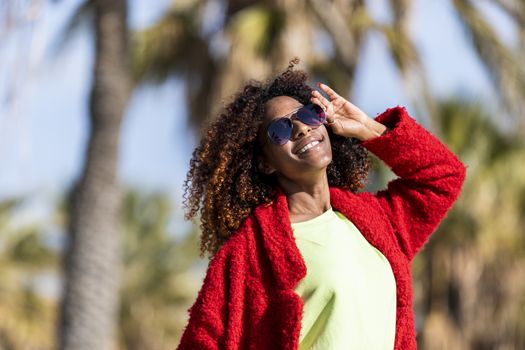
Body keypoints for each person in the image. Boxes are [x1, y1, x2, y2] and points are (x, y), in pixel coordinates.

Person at [177, 59, 466, 350]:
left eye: (309, 114)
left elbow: (443, 176)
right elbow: (202, 341)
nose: (301, 129)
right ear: (265, 163)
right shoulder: (249, 254)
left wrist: (366, 127)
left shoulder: (375, 222)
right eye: (280, 130)